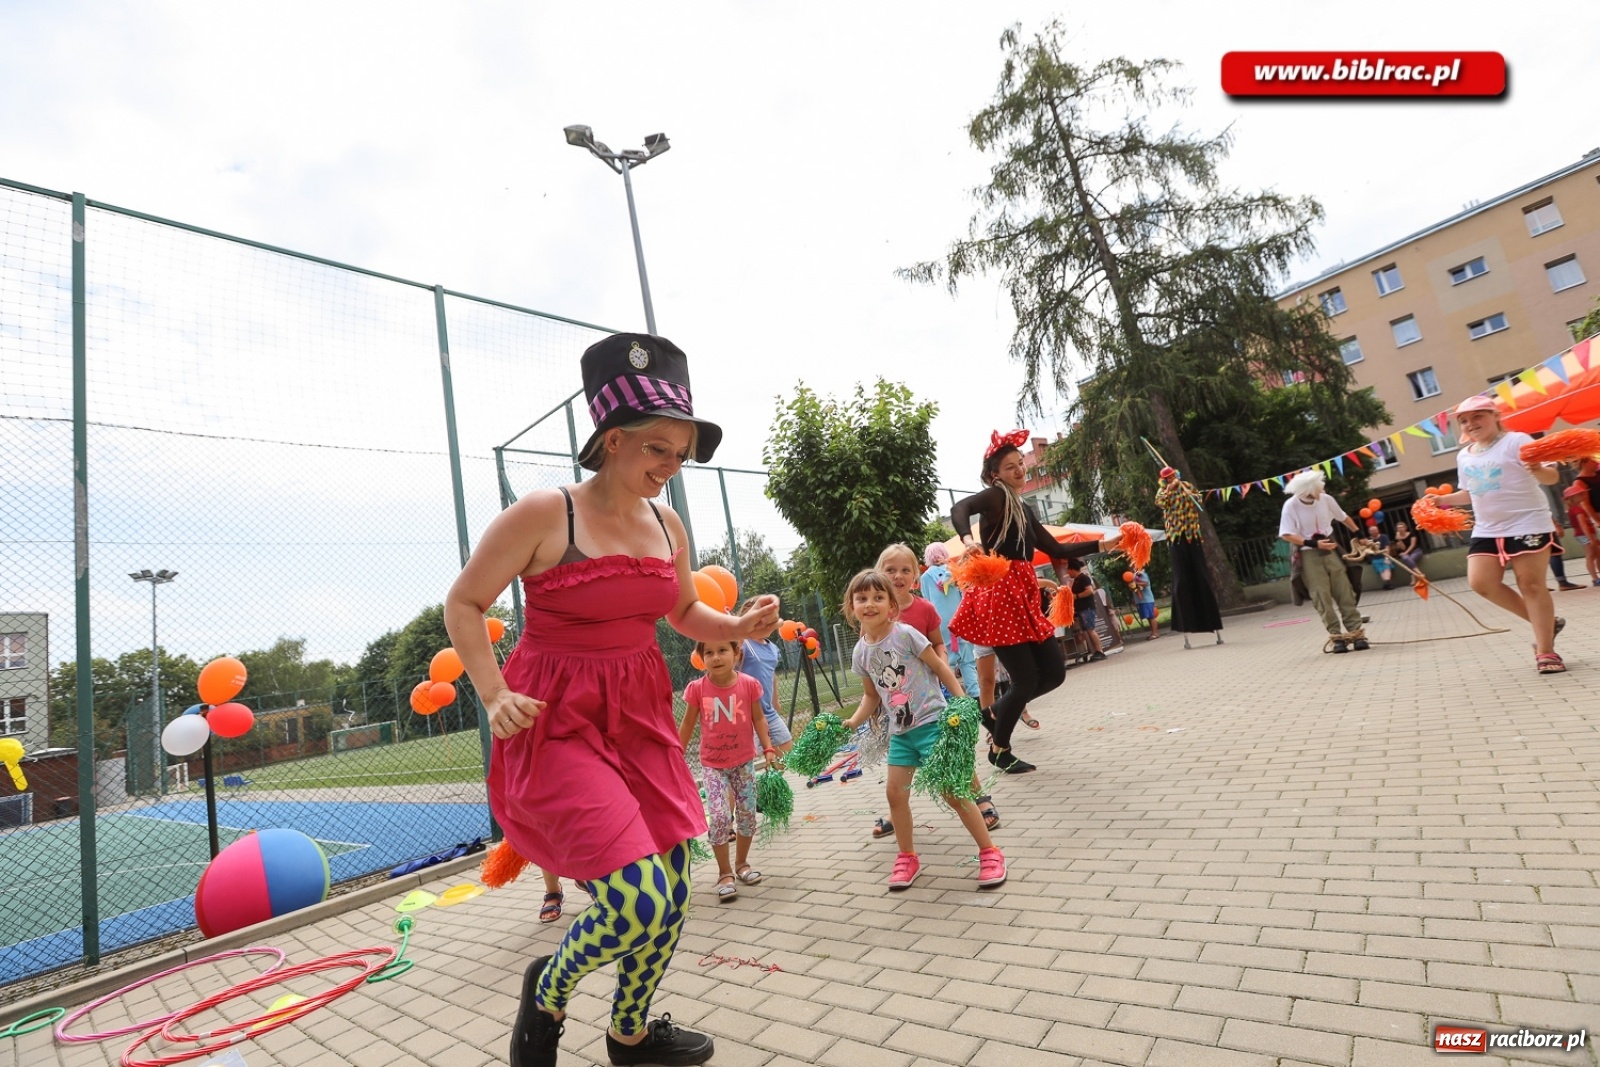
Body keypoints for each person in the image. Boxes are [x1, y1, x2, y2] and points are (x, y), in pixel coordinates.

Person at [444, 333, 779, 1067]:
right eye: (658, 449)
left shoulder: (668, 525)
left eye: (681, 453)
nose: (670, 467)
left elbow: (686, 613)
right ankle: (550, 991)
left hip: (638, 716)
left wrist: (738, 625)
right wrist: (492, 691)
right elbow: (464, 602)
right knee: (639, 898)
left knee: (675, 883)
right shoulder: (545, 513)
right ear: (613, 439)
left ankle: (630, 1034)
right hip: (557, 719)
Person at [950, 430, 1121, 773]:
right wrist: (969, 539)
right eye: (1010, 467)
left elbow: (1057, 550)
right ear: (994, 475)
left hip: (1024, 593)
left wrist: (1103, 545)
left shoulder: (1024, 508)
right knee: (1025, 681)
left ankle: (994, 712)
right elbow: (960, 507)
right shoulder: (997, 497)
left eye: (1020, 465)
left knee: (1054, 674)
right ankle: (1000, 749)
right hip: (1000, 595)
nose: (1019, 471)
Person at [840, 569, 1006, 891]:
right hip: (901, 734)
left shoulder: (905, 635)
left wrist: (961, 702)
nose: (869, 604)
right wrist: (852, 722)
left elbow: (940, 666)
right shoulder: (861, 652)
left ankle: (990, 852)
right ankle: (908, 857)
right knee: (894, 795)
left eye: (878, 597)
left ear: (891, 606)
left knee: (953, 793)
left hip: (933, 725)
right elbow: (871, 696)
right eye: (862, 599)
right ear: (852, 606)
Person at [870, 544, 999, 839]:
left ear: (916, 577)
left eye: (905, 570)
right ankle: (896, 812)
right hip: (899, 706)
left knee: (949, 753)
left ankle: (980, 798)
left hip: (930, 697)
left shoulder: (924, 609)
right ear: (879, 574)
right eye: (890, 570)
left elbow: (938, 644)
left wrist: (941, 665)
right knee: (901, 762)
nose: (897, 576)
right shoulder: (874, 612)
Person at [1430, 395, 1565, 673]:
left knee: (1530, 585)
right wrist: (1441, 502)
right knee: (1481, 582)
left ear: (1495, 416)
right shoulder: (1464, 455)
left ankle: (1546, 651)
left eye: (1477, 416)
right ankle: (1546, 624)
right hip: (1487, 529)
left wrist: (1538, 469)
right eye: (1464, 420)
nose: (1471, 423)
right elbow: (1470, 492)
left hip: (1527, 522)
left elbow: (1552, 477)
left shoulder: (1517, 441)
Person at [679, 639, 779, 902]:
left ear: (736, 653)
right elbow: (688, 724)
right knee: (721, 817)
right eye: (709, 652)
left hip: (744, 762)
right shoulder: (697, 689)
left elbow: (759, 717)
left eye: (722, 650)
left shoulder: (748, 684)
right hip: (713, 766)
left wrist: (768, 748)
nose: (716, 657)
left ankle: (742, 864)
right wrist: (675, 755)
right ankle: (725, 874)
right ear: (701, 658)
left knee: (747, 815)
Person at [1278, 469, 1368, 653]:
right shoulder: (1291, 505)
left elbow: (1343, 517)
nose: (1322, 489)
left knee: (1344, 590)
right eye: (1319, 487)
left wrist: (1359, 535)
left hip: (1331, 549)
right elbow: (1286, 534)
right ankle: (1337, 639)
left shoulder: (1326, 499)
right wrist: (1314, 543)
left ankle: (1357, 634)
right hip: (1308, 554)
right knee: (1321, 596)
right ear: (1308, 490)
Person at [1153, 467, 1223, 647]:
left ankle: (1212, 624)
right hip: (1176, 537)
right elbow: (1160, 502)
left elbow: (1198, 500)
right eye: (1167, 478)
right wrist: (1169, 489)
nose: (1170, 480)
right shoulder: (1163, 491)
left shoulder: (1187, 486)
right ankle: (1186, 625)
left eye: (1171, 477)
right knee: (1181, 580)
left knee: (1201, 575)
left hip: (1192, 536)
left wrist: (1188, 492)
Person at [919, 543, 978, 697]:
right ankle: (975, 694)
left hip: (939, 624)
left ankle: (953, 697)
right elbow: (963, 595)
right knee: (967, 660)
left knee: (946, 661)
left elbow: (927, 602)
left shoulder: (925, 577)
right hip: (959, 619)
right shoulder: (954, 571)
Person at [737, 602, 793, 759]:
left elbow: (772, 674)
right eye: (759, 619)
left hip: (768, 711)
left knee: (786, 753)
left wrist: (776, 701)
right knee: (751, 762)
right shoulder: (743, 644)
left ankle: (774, 783)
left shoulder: (773, 648)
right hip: (745, 715)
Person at [1063, 561, 1107, 661]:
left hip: (1087, 608)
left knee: (1091, 629)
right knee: (1088, 630)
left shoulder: (1084, 578)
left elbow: (1090, 591)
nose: (1068, 573)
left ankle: (1100, 651)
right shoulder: (1077, 580)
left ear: (1072, 569)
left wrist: (1076, 596)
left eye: (1068, 571)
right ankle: (1095, 651)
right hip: (1081, 609)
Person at [1563, 478, 1600, 586]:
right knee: (1591, 555)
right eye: (1580, 494)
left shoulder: (1572, 509)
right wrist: (1591, 538)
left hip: (1584, 534)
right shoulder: (1578, 510)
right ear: (1572, 498)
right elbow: (1583, 525)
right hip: (1585, 534)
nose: (1583, 496)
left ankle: (1596, 577)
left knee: (1596, 554)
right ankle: (1595, 578)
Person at [1366, 524, 1396, 589]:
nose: (1374, 532)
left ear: (1378, 530)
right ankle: (1387, 583)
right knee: (1381, 570)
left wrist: (1387, 558)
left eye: (1375, 530)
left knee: (1386, 567)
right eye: (1372, 531)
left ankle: (1387, 583)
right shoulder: (1368, 540)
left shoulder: (1384, 537)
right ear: (1369, 532)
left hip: (1384, 556)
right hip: (1375, 558)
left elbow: (1387, 548)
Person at [1131, 568, 1159, 639]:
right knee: (1149, 618)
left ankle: (1155, 633)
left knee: (1151, 617)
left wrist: (1135, 583)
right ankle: (1153, 633)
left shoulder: (1142, 574)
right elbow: (1135, 589)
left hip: (1147, 599)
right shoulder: (1135, 575)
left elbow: (1145, 583)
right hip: (1141, 600)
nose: (1131, 566)